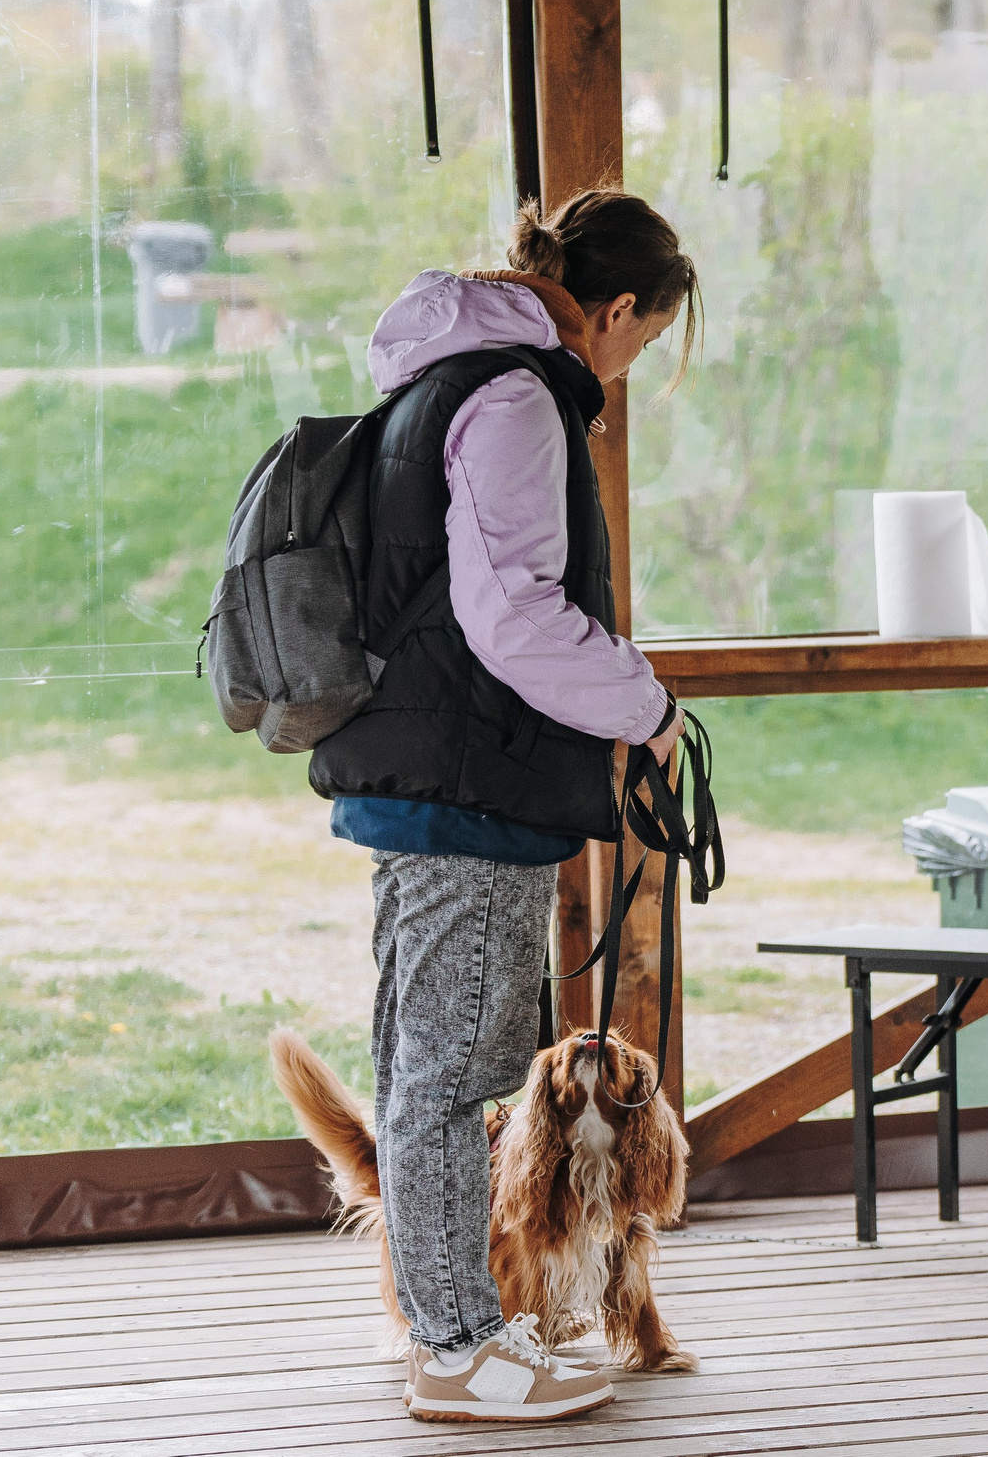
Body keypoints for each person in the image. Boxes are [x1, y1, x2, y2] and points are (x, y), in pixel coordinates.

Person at [309, 190, 697, 1422]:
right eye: (638, 342)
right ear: (616, 306)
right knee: (445, 1074)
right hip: (463, 787)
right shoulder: (521, 393)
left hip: (431, 772)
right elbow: (514, 612)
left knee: (438, 1063)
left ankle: (468, 1334)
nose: (624, 368)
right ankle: (460, 1350)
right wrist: (647, 707)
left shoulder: (447, 375)